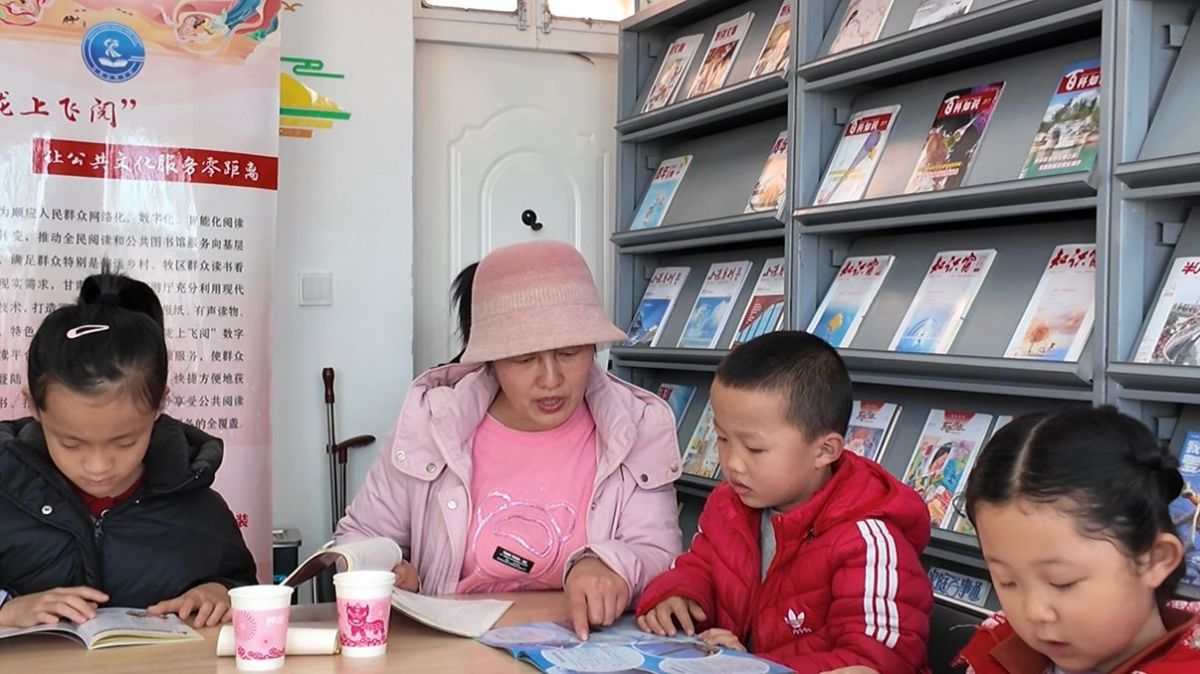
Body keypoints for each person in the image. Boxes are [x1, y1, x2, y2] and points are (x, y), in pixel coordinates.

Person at [337, 241, 683, 639]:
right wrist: (384, 570)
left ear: (593, 346)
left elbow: (663, 557)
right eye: (524, 358)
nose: (551, 379)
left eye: (570, 352)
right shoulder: (431, 425)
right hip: (451, 649)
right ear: (491, 362)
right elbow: (357, 539)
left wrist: (611, 565)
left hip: (586, 649)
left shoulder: (636, 425)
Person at [635, 331, 933, 674]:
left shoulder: (867, 541)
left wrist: (753, 666)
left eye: (755, 448)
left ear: (825, 450)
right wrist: (678, 595)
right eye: (722, 438)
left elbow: (876, 660)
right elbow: (701, 566)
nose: (732, 463)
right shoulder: (728, 504)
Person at [0, 268, 257, 629]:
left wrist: (220, 593)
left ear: (159, 405)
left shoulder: (200, 509)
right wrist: (6, 610)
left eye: (125, 442)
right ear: (33, 407)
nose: (98, 466)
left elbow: (241, 583)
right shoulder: (6, 497)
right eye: (71, 443)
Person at [954, 406, 1200, 674]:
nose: (1034, 612)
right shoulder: (995, 652)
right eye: (1007, 581)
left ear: (1154, 559)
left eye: (1062, 582)